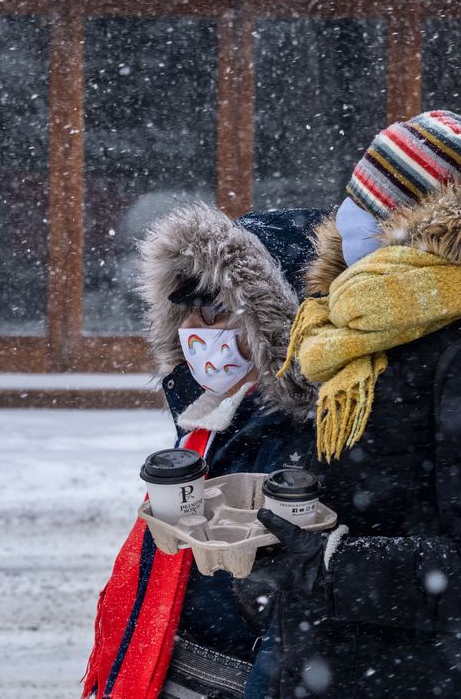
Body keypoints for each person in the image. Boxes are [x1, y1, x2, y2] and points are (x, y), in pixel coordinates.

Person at [249, 92, 461, 697]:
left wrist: (328, 567)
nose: (344, 218)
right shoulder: (370, 334)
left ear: (413, 225)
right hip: (351, 669)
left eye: (364, 205)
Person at [82, 203, 330, 699]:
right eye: (187, 309)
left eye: (214, 308)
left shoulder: (301, 439)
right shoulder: (213, 419)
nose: (195, 326)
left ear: (274, 321)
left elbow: (293, 621)